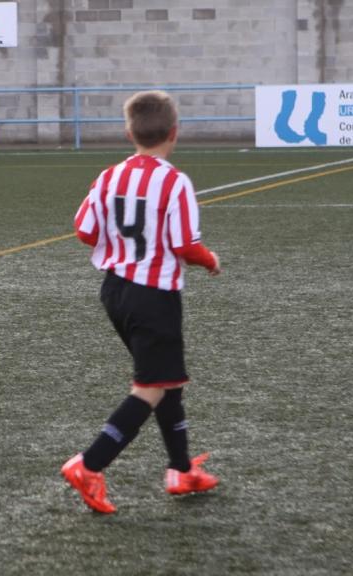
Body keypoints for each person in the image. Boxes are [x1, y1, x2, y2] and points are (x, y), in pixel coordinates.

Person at [61, 90, 222, 514]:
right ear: (175, 132)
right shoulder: (175, 181)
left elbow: (84, 230)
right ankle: (91, 464)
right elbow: (185, 243)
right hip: (154, 295)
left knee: (166, 379)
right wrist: (210, 261)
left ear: (128, 132)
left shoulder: (109, 175)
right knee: (150, 386)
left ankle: (181, 469)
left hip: (115, 291)